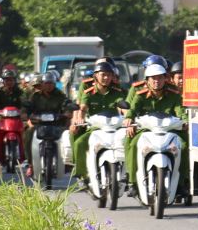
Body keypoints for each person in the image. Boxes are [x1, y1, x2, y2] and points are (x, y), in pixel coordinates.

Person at [123, 58, 188, 200]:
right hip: (146, 130)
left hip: (169, 130)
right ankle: (132, 182)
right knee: (133, 143)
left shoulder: (174, 94)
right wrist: (129, 119)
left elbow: (180, 111)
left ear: (166, 79)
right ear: (147, 80)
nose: (156, 81)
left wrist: (185, 121)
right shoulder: (140, 95)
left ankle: (182, 183)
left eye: (160, 78)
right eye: (153, 78)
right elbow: (132, 110)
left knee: (183, 145)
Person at [71, 58, 125, 187]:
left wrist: (128, 118)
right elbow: (82, 107)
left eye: (108, 74)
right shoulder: (87, 89)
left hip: (114, 126)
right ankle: (81, 172)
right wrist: (78, 119)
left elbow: (123, 106)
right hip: (94, 126)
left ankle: (126, 174)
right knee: (79, 142)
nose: (106, 78)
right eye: (103, 74)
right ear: (96, 75)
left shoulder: (117, 90)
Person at [23, 71, 73, 179]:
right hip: (39, 124)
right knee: (28, 133)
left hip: (57, 125)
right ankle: (31, 164)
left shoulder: (60, 95)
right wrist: (26, 113)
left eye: (51, 83)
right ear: (42, 84)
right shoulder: (35, 96)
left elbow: (66, 103)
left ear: (54, 84)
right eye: (46, 83)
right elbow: (28, 106)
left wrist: (68, 111)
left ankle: (68, 162)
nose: (48, 85)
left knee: (68, 135)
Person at [0, 68, 27, 162]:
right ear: (3, 81)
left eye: (11, 80)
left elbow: (24, 102)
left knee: (26, 130)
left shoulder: (19, 92)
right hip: (1, 118)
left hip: (17, 118)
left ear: (14, 81)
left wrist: (23, 111)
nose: (9, 82)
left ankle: (25, 153)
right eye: (7, 80)